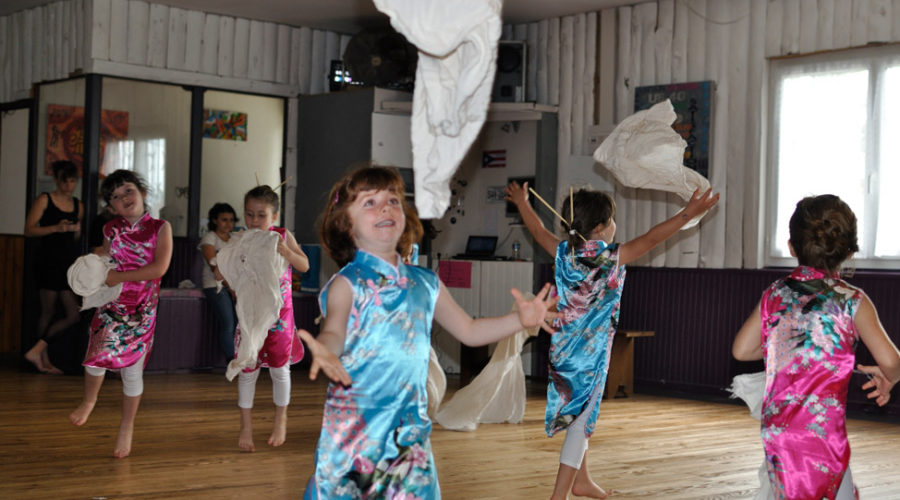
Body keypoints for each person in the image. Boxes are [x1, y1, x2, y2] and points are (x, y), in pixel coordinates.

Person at [298, 166, 559, 499]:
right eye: (369, 202)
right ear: (345, 224)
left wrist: (520, 321)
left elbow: (471, 331)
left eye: (392, 200)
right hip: (355, 433)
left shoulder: (426, 283)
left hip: (409, 435)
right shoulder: (347, 284)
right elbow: (334, 329)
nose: (385, 207)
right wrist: (325, 349)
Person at [506, 180, 719, 500]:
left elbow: (537, 231)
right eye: (613, 220)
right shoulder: (610, 257)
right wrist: (688, 213)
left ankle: (583, 480)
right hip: (589, 357)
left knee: (579, 412)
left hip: (562, 349)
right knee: (581, 422)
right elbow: (652, 237)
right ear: (601, 227)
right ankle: (559, 495)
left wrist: (523, 202)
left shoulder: (563, 250)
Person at [732, 194, 900, 500]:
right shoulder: (852, 301)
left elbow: (742, 351)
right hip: (824, 439)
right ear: (849, 252)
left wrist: (782, 345)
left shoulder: (776, 293)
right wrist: (891, 377)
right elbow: (891, 360)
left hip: (779, 435)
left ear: (792, 246)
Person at [68, 169, 173, 459]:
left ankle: (127, 425)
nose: (123, 198)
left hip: (141, 312)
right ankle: (89, 401)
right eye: (115, 197)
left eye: (128, 190)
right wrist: (94, 263)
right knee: (95, 357)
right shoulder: (111, 229)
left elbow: (159, 269)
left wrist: (119, 276)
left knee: (132, 372)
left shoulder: (160, 228)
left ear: (142, 191)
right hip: (112, 305)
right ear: (111, 208)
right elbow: (105, 251)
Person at [235, 185, 309, 452]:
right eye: (249, 214)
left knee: (280, 369)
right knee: (247, 369)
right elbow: (229, 270)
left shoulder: (282, 235)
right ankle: (246, 425)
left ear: (274, 217)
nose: (254, 221)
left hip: (280, 316)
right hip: (251, 315)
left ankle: (281, 418)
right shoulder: (242, 239)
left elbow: (304, 265)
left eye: (261, 215)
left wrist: (286, 252)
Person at [23, 160, 85, 374]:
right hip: (47, 260)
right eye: (65, 181)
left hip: (67, 263)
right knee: (47, 310)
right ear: (57, 180)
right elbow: (29, 230)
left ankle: (38, 351)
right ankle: (43, 359)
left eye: (72, 181)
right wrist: (56, 228)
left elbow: (76, 238)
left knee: (74, 314)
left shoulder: (78, 205)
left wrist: (75, 229)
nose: (69, 185)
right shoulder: (45, 199)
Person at [198, 203, 239, 361]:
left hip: (234, 287)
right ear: (215, 221)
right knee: (228, 323)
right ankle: (232, 360)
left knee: (237, 324)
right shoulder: (210, 237)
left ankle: (240, 358)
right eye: (224, 219)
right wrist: (231, 289)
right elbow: (214, 266)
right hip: (215, 286)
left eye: (231, 220)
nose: (228, 223)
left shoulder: (235, 239)